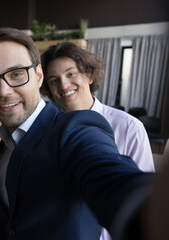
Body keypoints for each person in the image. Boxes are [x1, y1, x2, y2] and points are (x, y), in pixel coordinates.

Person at [0, 27, 154, 239]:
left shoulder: (75, 129)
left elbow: (110, 176)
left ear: (38, 76)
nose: (3, 91)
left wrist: (147, 210)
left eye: (16, 74)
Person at [40, 41, 155, 240]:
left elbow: (145, 199)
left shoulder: (129, 128)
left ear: (90, 75)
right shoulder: (46, 130)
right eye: (54, 80)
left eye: (71, 74)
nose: (64, 85)